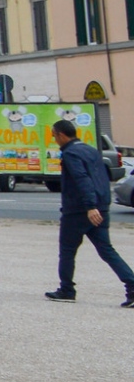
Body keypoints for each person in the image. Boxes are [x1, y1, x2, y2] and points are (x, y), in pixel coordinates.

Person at [45, 117, 134, 306]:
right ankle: (132, 287)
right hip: (100, 207)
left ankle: (67, 289)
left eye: (54, 135)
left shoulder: (70, 154)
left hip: (79, 210)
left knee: (67, 250)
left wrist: (90, 206)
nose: (54, 139)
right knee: (107, 250)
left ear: (61, 135)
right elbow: (102, 179)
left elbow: (81, 178)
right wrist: (100, 205)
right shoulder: (91, 150)